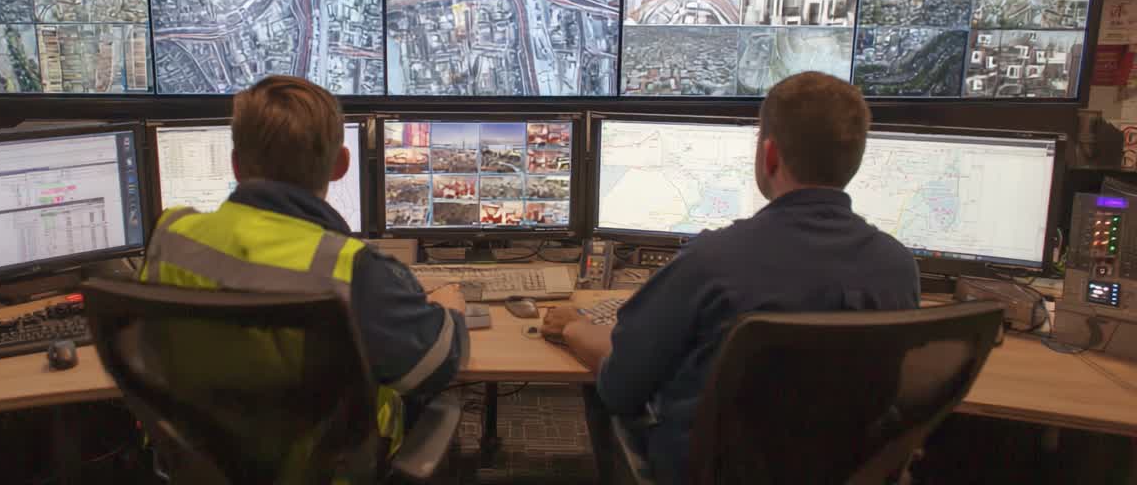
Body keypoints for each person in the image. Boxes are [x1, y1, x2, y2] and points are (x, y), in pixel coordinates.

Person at [542, 71, 920, 484]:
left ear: (770, 155)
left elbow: (621, 385)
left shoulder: (712, 261)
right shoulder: (899, 269)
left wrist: (576, 328)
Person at [140, 75, 468, 458]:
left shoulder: (172, 235)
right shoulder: (353, 269)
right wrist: (451, 309)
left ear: (235, 164)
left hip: (194, 466)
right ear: (341, 164)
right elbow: (435, 365)